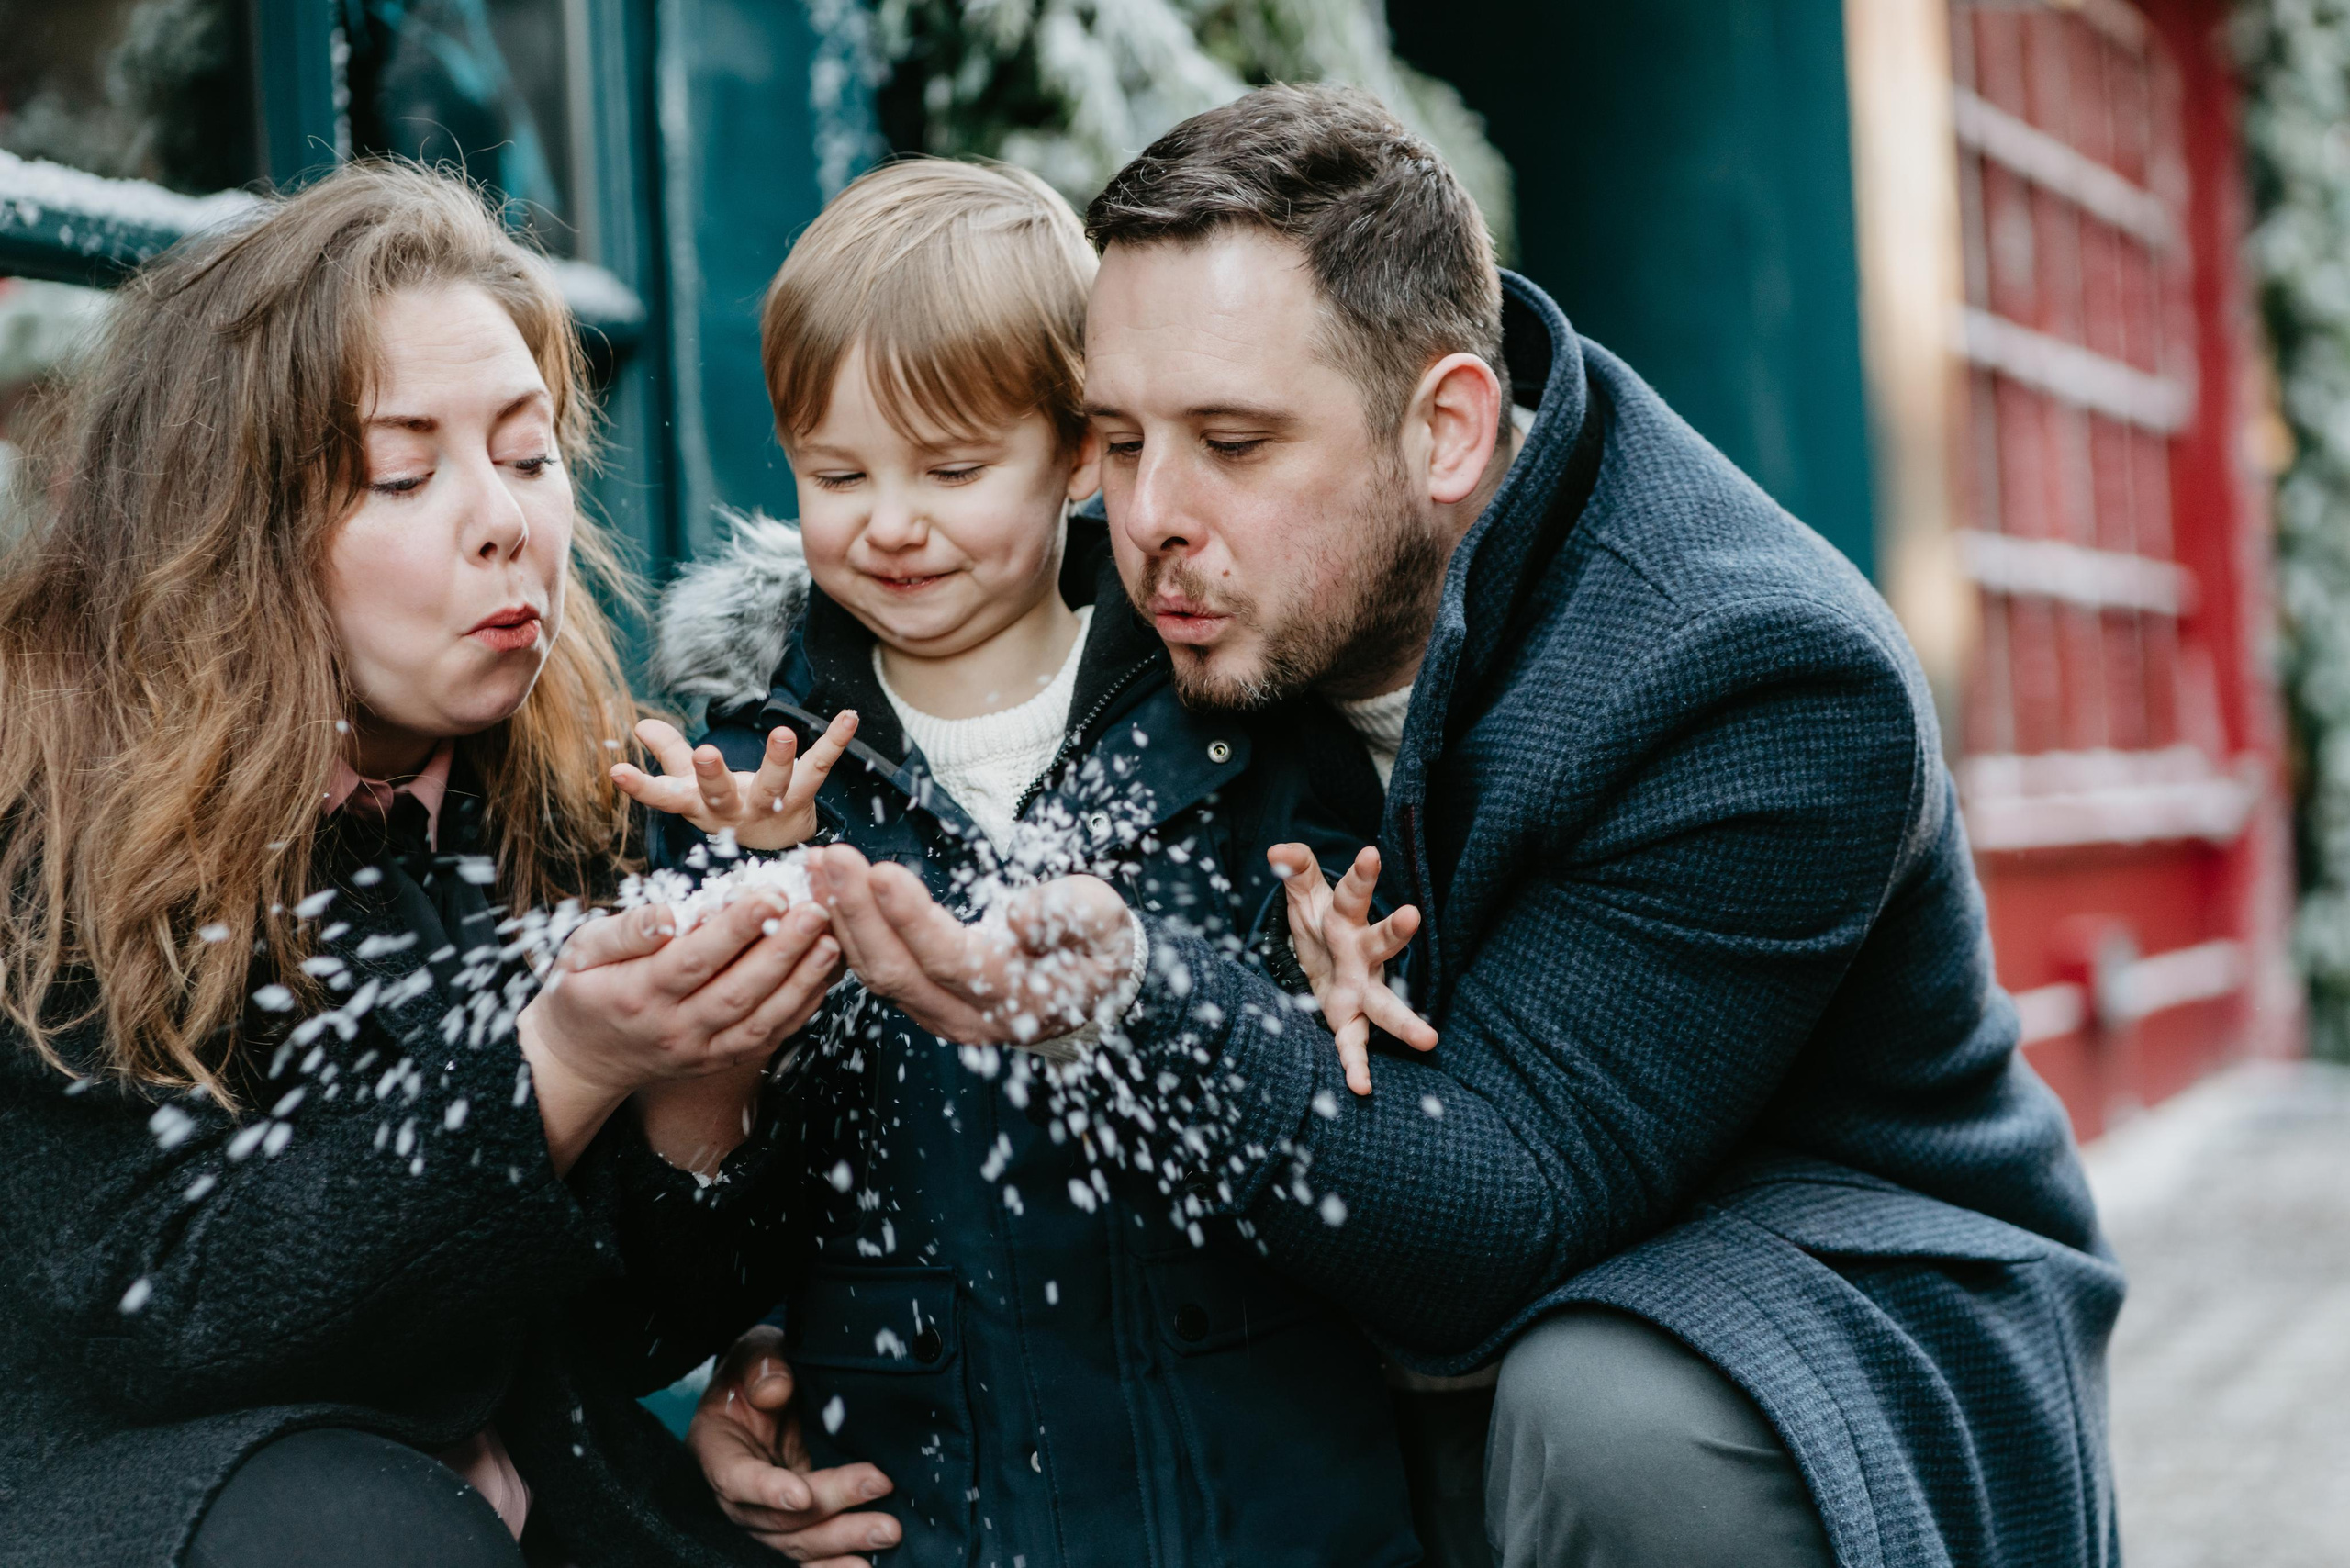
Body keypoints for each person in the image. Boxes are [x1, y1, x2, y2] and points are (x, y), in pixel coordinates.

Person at [790, 85, 2125, 1568]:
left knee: (1603, 1416)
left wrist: (1126, 989)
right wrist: (809, 1363)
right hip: (1403, 1258)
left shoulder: (1762, 681)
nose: (1148, 514)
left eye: (1233, 442)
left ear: (1446, 428)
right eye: (1114, 438)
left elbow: (1501, 1223)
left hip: (1811, 1302)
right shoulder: (1185, 580)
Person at [0, 162, 846, 1568]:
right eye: (405, 474)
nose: (504, 519)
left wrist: (704, 1081)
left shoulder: (575, 788)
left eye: (528, 456)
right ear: (235, 533)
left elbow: (625, 1331)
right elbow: (155, 1321)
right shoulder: (54, 831)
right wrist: (557, 1072)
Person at [626, 156, 1424, 1568]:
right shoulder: (753, 781)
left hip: (1259, 1497)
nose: (889, 520)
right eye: (836, 472)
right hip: (939, 1503)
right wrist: (739, 896)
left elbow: (1352, 1071)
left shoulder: (1228, 719)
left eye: (949, 469)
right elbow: (701, 1211)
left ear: (1075, 455)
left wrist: (1345, 978)